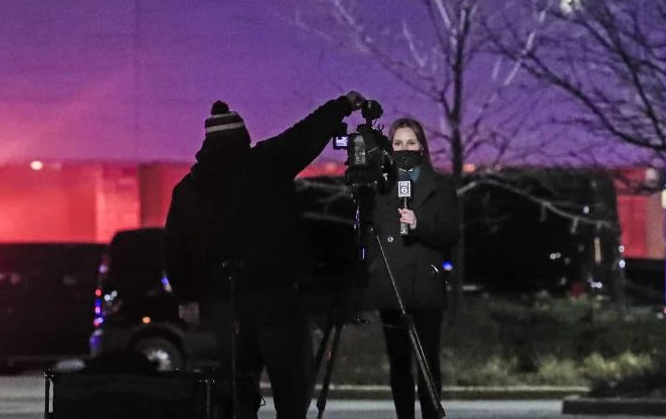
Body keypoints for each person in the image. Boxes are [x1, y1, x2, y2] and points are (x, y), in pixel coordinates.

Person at [164, 91, 365, 419]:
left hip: (223, 301)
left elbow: (174, 247)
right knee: (290, 380)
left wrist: (186, 296)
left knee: (236, 382)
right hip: (275, 294)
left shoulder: (188, 189)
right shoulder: (266, 162)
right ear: (242, 136)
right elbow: (306, 134)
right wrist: (341, 106)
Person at [364, 117, 460, 419]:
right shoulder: (380, 188)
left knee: (428, 359)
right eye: (398, 143)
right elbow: (368, 232)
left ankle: (432, 413)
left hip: (425, 285)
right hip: (391, 283)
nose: (404, 148)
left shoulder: (441, 186)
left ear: (422, 146)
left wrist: (420, 226)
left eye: (411, 142)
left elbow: (450, 233)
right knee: (399, 360)